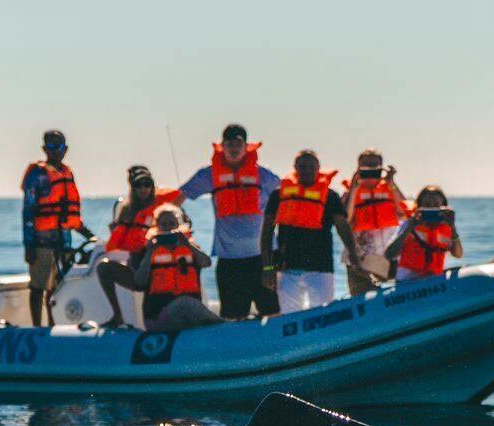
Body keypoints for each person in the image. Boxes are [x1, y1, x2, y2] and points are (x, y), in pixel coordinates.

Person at [178, 123, 282, 319]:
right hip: (230, 259)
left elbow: (286, 198)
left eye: (238, 144)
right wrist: (175, 219)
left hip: (263, 257)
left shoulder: (263, 175)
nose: (234, 148)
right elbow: (178, 197)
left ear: (247, 147)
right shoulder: (209, 175)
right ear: (222, 146)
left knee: (272, 311)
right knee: (234, 315)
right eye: (229, 144)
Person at [259, 150, 354, 314]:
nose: (307, 170)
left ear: (319, 168)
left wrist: (353, 253)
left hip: (321, 269)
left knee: (323, 315)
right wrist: (267, 268)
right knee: (290, 316)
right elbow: (267, 233)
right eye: (302, 166)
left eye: (311, 166)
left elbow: (342, 227)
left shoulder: (330, 196)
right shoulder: (279, 195)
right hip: (287, 268)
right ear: (295, 167)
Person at [97, 165, 184, 328]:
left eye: (147, 184)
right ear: (133, 188)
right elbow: (120, 242)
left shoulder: (162, 206)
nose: (143, 189)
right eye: (139, 185)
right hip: (137, 269)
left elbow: (182, 196)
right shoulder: (126, 211)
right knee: (103, 268)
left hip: (159, 271)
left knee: (152, 317)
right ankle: (117, 316)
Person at [20, 129, 91, 326]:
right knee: (38, 287)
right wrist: (29, 246)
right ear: (44, 148)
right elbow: (28, 211)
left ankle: (55, 324)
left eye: (58, 147)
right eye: (50, 147)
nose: (55, 151)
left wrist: (89, 235)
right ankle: (37, 326)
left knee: (57, 287)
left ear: (65, 148)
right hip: (41, 242)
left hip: (64, 242)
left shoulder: (66, 173)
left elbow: (71, 215)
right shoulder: (36, 174)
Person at [132, 205, 222, 333]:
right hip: (158, 316)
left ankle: (220, 329)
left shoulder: (189, 247)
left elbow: (206, 263)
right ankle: (223, 325)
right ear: (157, 226)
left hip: (187, 314)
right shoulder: (149, 249)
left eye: (172, 223)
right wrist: (149, 252)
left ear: (178, 225)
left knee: (186, 305)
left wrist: (188, 245)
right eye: (164, 224)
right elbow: (139, 281)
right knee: (184, 304)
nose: (168, 227)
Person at [342, 148, 409, 294]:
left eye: (375, 165)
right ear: (358, 167)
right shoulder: (350, 191)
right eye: (366, 165)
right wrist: (353, 188)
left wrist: (391, 183)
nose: (371, 168)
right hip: (361, 260)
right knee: (362, 297)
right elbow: (345, 219)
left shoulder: (390, 188)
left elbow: (406, 213)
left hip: (388, 257)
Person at [384, 185, 465, 281]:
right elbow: (389, 255)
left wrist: (453, 227)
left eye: (435, 205)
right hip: (407, 282)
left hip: (434, 282)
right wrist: (409, 228)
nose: (431, 208)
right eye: (427, 205)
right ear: (419, 206)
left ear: (443, 206)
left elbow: (458, 254)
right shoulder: (409, 224)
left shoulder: (447, 227)